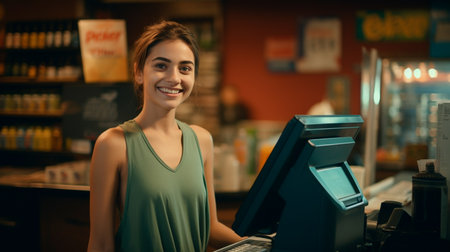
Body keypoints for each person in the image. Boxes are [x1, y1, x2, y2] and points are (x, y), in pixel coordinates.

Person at [87, 20, 243, 252]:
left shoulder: (202, 140)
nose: (174, 78)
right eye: (161, 66)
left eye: (185, 68)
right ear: (139, 73)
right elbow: (100, 243)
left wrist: (261, 244)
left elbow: (210, 228)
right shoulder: (113, 144)